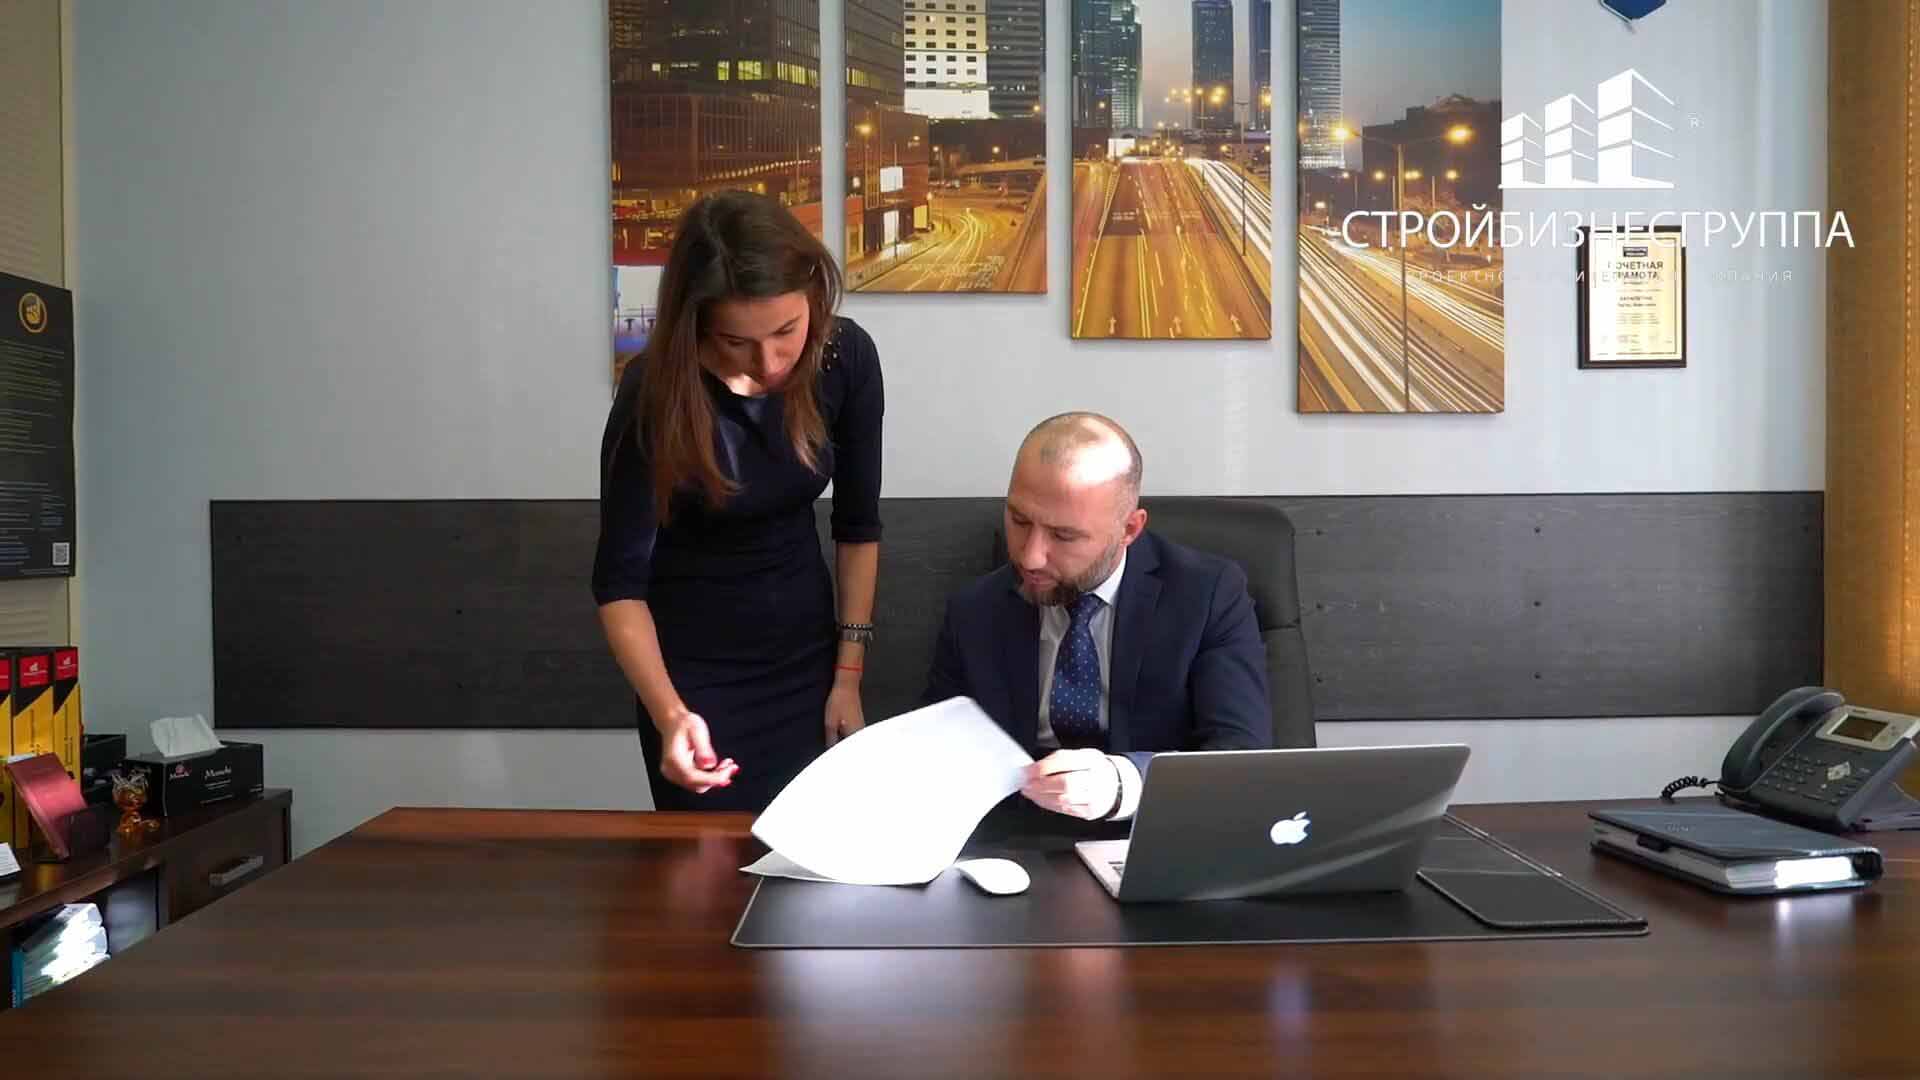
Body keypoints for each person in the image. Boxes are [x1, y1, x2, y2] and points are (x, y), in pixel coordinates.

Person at [594, 191, 883, 812]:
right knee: (711, 862)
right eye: (736, 341)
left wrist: (848, 674)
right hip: (693, 679)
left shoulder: (844, 358)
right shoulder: (654, 392)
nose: (770, 362)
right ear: (696, 322)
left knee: (815, 853)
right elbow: (619, 585)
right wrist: (671, 714)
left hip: (810, 659)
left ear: (814, 295)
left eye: (786, 331)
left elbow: (858, 527)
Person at [924, 412, 1271, 823]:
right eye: (1019, 520)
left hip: (1152, 829)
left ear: (1129, 529)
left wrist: (1124, 784)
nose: (1030, 557)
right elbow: (938, 750)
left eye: (1064, 535)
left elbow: (1239, 755)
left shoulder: (1206, 596)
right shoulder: (974, 609)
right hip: (1016, 837)